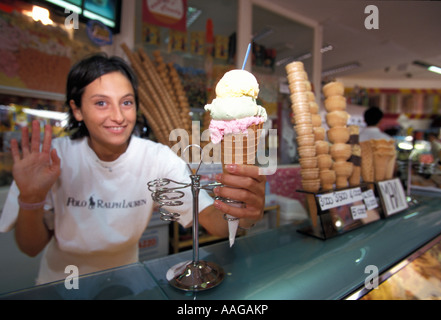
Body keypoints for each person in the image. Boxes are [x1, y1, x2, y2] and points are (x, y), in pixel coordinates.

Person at [0, 54, 266, 284]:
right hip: (58, 286)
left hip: (126, 286)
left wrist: (243, 214)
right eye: (101, 103)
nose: (118, 116)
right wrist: (31, 198)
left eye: (126, 102)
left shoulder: (156, 158)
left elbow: (210, 220)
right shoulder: (53, 158)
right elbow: (31, 248)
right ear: (77, 109)